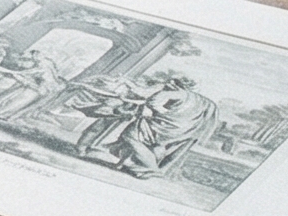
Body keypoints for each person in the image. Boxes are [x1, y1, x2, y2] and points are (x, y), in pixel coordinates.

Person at [73, 74, 218, 178]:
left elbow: (153, 102)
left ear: (175, 84)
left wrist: (160, 113)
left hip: (164, 125)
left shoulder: (174, 93)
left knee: (130, 136)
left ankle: (152, 168)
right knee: (151, 144)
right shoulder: (201, 100)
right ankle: (123, 164)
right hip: (183, 130)